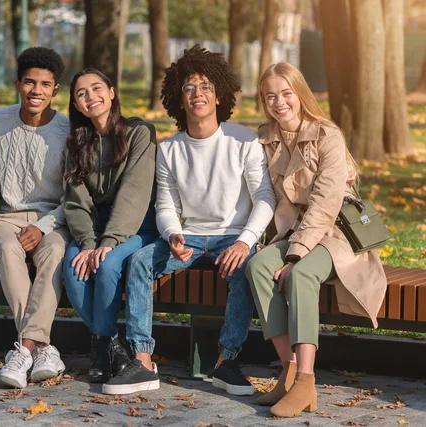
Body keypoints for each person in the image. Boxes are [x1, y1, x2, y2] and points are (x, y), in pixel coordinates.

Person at [103, 45, 276, 396]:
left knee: (246, 265)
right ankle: (142, 361)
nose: (198, 93)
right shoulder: (169, 150)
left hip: (234, 236)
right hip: (190, 238)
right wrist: (173, 234)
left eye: (206, 86)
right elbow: (166, 205)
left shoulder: (244, 140)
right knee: (138, 262)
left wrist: (245, 241)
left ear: (219, 95)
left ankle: (226, 362)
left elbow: (265, 198)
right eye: (189, 88)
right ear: (178, 99)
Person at [246, 62, 387, 417]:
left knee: (303, 274)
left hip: (336, 234)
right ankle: (289, 370)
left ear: (300, 94)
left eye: (286, 94)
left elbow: (325, 206)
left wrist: (293, 258)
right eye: (270, 96)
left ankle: (307, 380)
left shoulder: (328, 136)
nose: (279, 103)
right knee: (259, 266)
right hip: (294, 232)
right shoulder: (266, 137)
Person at [62, 68, 158, 385]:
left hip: (136, 225)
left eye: (97, 88)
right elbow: (76, 201)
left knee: (107, 266)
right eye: (81, 93)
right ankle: (111, 346)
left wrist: (109, 242)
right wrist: (89, 244)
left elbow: (135, 191)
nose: (91, 96)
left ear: (112, 92)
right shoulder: (76, 143)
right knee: (75, 269)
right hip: (93, 228)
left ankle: (103, 348)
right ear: (76, 105)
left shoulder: (139, 133)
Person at [0, 47, 71, 388]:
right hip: (6, 217)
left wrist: (41, 227)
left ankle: (23, 349)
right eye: (29, 82)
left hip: (52, 217)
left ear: (56, 90)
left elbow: (73, 198)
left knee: (54, 252)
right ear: (17, 84)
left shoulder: (68, 130)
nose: (36, 90)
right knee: (7, 252)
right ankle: (43, 347)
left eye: (45, 84)